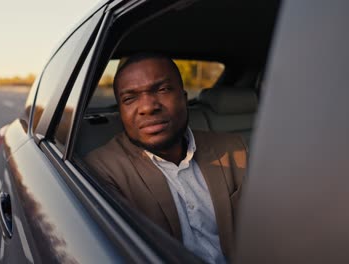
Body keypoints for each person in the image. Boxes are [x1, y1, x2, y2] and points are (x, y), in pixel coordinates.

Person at [85, 53, 247, 263]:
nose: (148, 107)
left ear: (184, 96)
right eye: (130, 98)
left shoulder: (234, 149)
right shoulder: (102, 171)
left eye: (162, 89)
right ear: (121, 112)